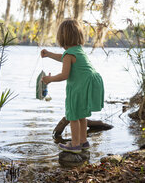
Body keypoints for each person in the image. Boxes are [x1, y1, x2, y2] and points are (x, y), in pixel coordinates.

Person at [41, 19, 104, 154]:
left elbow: (64, 75)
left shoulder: (69, 54)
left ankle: (75, 145)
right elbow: (63, 58)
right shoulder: (78, 50)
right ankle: (83, 141)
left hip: (79, 87)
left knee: (73, 115)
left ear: (62, 38)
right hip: (89, 84)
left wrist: (50, 79)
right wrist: (49, 54)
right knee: (82, 114)